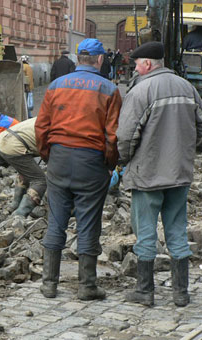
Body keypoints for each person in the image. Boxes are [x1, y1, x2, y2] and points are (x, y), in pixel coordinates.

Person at [117, 41, 202, 307]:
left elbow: (126, 136)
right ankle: (181, 293)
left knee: (145, 233)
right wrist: (185, 151)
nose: (135, 68)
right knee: (177, 231)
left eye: (136, 64)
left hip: (147, 176)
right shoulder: (186, 86)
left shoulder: (141, 91)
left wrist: (124, 159)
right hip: (179, 174)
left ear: (146, 64)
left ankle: (145, 292)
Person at [35, 38, 122, 300]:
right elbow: (113, 136)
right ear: (99, 60)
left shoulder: (56, 85)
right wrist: (109, 164)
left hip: (59, 160)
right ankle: (87, 286)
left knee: (56, 222)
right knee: (88, 224)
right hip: (91, 162)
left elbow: (41, 128)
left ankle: (49, 284)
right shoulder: (109, 89)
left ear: (77, 59)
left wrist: (49, 156)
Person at [0, 117, 46, 217]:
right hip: (14, 145)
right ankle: (19, 215)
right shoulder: (59, 126)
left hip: (1, 141)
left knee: (26, 173)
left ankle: (14, 206)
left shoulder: (45, 116)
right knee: (40, 181)